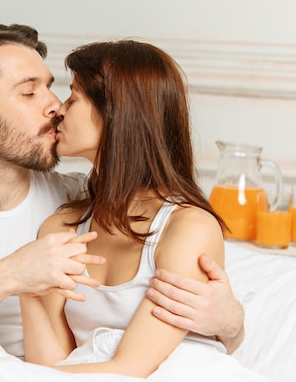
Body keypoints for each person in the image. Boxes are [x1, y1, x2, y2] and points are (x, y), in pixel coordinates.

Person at [0, 23, 244, 359]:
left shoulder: (77, 203)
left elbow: (176, 263)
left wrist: (230, 323)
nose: (55, 106)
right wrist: (10, 275)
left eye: (57, 90)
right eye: (30, 91)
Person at [19, 40, 246, 377]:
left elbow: (129, 369)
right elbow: (51, 366)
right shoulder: (62, 227)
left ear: (117, 114)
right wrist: (27, 287)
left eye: (73, 97)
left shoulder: (186, 228)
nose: (59, 110)